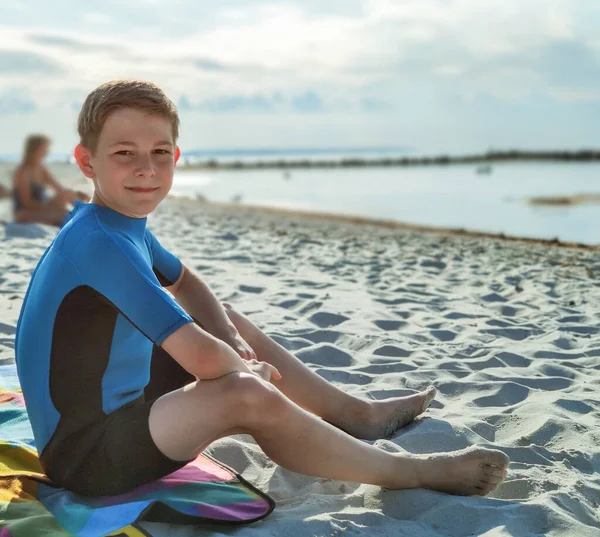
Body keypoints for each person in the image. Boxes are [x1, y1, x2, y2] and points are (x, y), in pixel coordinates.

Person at [15, 80, 509, 499]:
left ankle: (354, 415)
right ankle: (415, 474)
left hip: (120, 399)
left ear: (176, 156)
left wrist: (232, 339)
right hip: (87, 455)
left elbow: (186, 282)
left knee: (226, 321)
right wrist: (243, 367)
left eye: (159, 153)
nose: (146, 168)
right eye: (125, 154)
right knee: (243, 391)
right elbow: (207, 363)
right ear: (86, 161)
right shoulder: (101, 242)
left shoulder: (118, 223)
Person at [12, 134, 90, 226]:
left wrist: (77, 195)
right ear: (35, 149)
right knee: (63, 215)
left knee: (67, 196)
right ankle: (86, 216)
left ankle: (88, 212)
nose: (47, 151)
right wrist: (49, 206)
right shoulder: (23, 172)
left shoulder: (41, 169)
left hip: (41, 208)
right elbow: (27, 203)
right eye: (44, 148)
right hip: (25, 213)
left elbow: (59, 190)